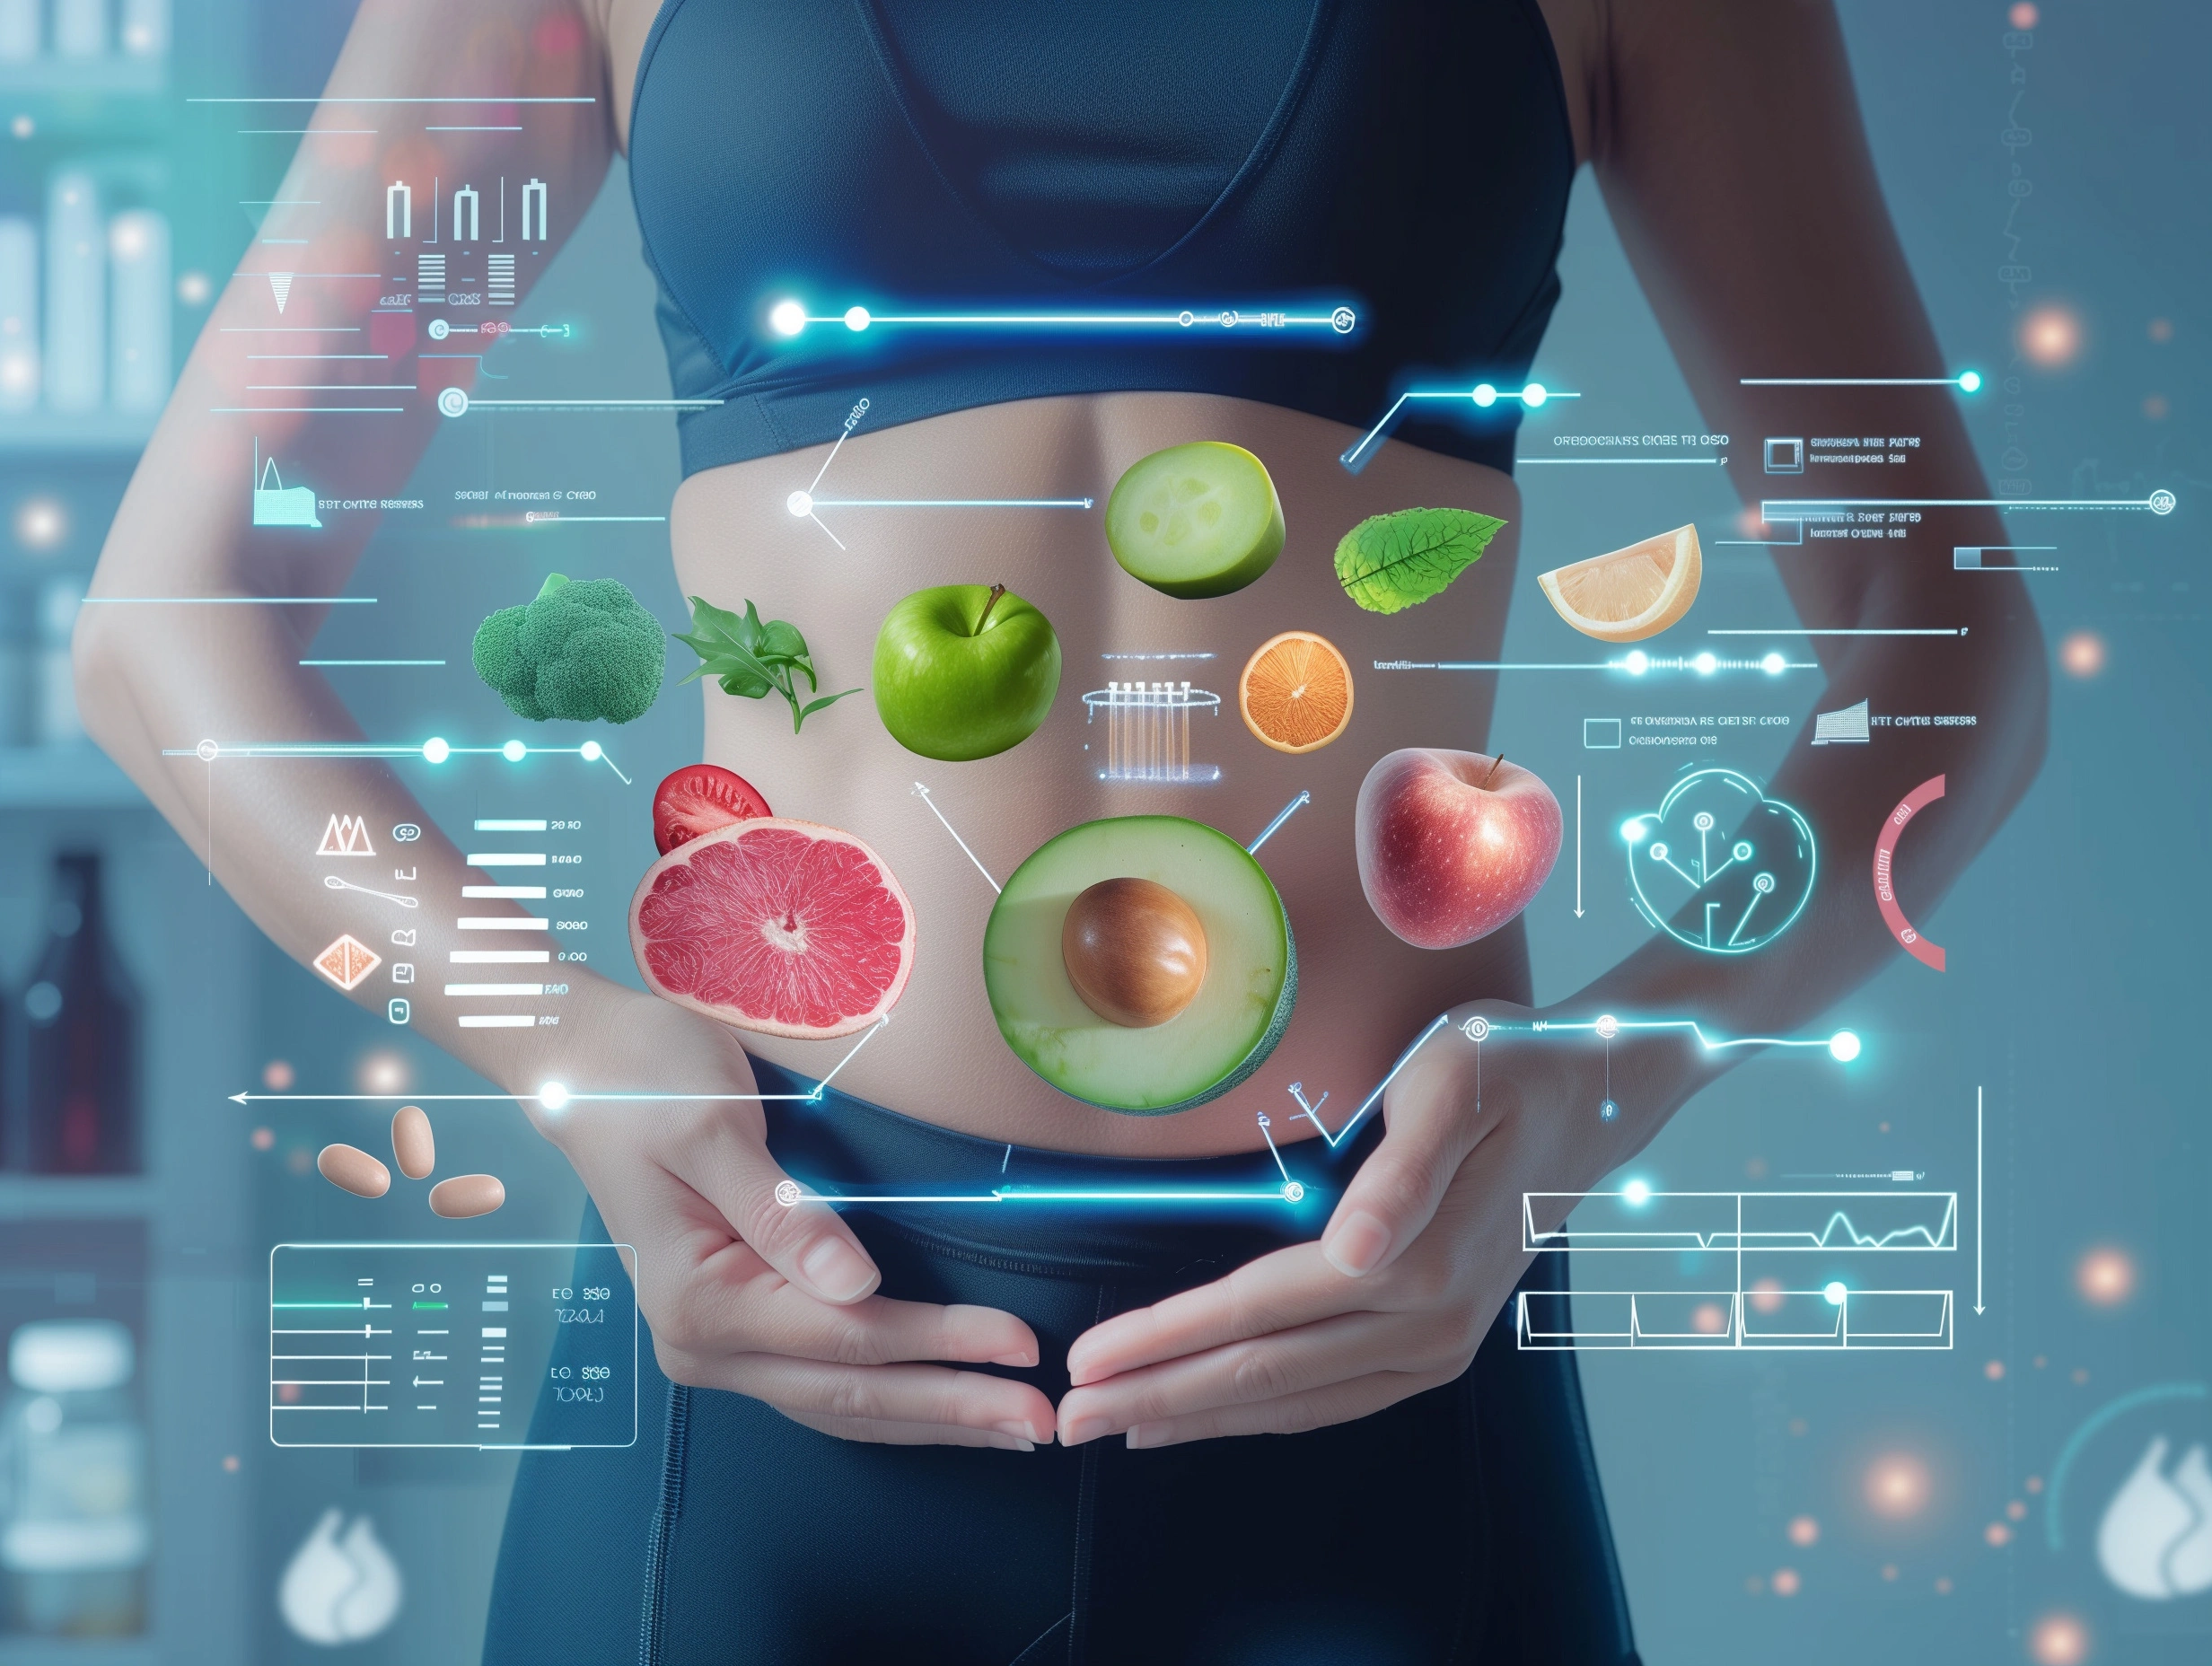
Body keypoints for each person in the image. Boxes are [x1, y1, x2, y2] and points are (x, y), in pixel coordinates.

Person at [80, 1, 2047, 1660]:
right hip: (784, 1313)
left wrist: (1604, 1076)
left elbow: (1948, 646)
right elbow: (168, 633)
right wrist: (558, 1045)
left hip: (1389, 1325)